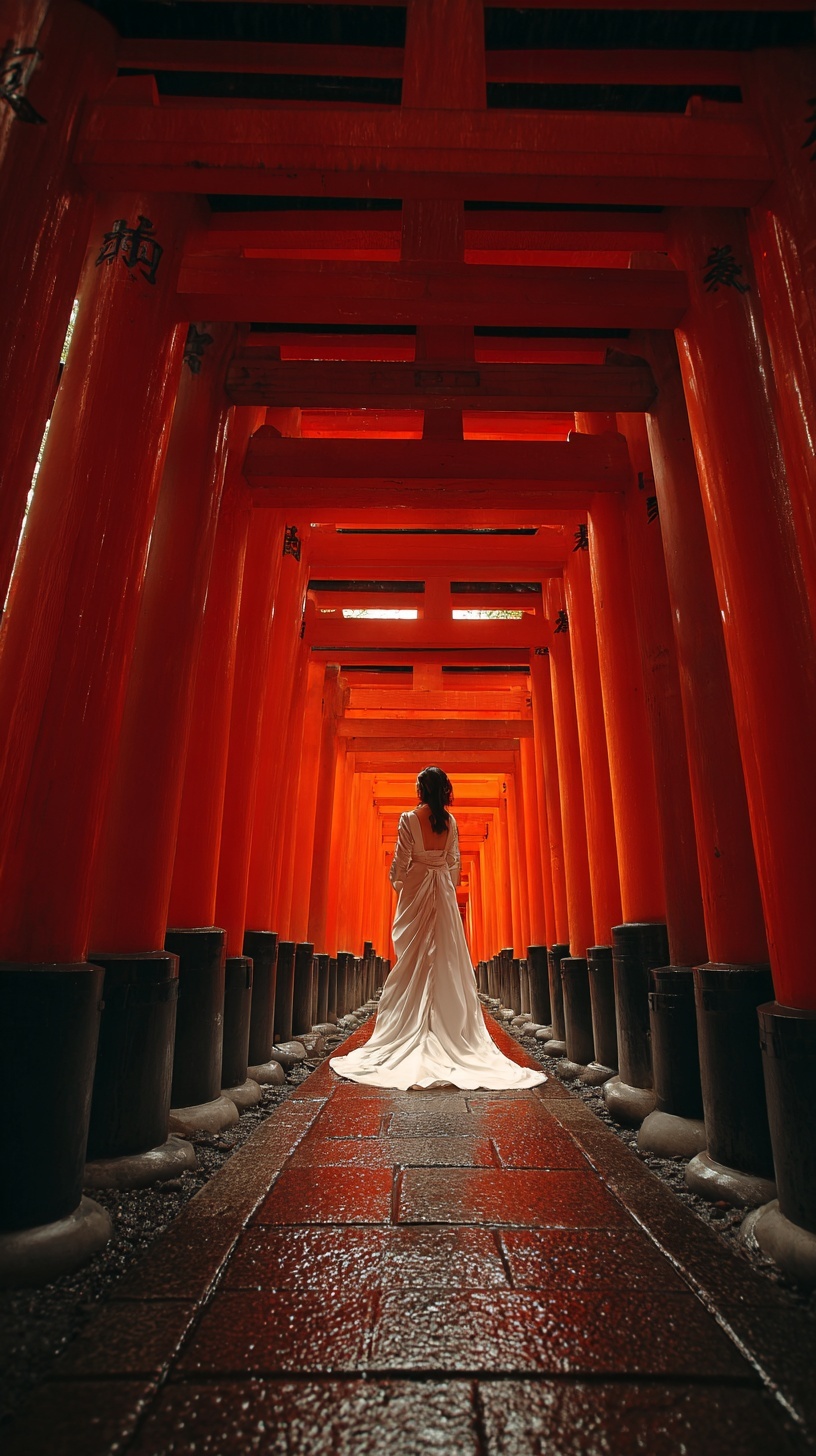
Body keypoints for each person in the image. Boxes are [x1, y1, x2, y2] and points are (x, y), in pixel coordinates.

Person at [330, 766, 546, 1091]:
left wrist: (403, 887)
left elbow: (399, 864)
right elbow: (455, 865)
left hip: (417, 888)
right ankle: (449, 1031)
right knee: (445, 957)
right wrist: (443, 881)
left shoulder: (408, 819)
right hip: (441, 890)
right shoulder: (452, 822)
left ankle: (408, 1028)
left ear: (420, 790)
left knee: (414, 959)